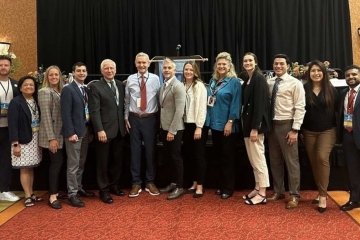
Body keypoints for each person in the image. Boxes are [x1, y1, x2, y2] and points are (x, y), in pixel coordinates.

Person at [267, 54, 306, 209]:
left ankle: (295, 195)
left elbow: (300, 107)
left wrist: (295, 129)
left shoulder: (295, 83)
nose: (278, 66)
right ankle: (278, 191)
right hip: (272, 126)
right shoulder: (269, 82)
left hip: (287, 125)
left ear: (288, 66)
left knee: (292, 162)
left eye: (281, 64)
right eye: (276, 64)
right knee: (275, 160)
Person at [302, 60, 338, 213]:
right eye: (313, 71)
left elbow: (338, 112)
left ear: (324, 72)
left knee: (322, 158)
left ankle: (323, 196)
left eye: (319, 70)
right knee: (314, 162)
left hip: (327, 131)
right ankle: (319, 191)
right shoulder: (303, 89)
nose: (316, 73)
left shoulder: (331, 89)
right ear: (309, 73)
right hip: (308, 131)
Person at [88, 59, 126, 204]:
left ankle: (114, 186)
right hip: (104, 131)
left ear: (115, 70)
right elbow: (94, 111)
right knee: (103, 162)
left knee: (117, 161)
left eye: (112, 68)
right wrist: (99, 129)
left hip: (119, 130)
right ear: (101, 70)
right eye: (106, 68)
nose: (109, 71)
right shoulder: (96, 87)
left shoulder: (120, 85)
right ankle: (103, 190)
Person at [205, 52, 241, 199]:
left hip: (227, 126)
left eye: (224, 64)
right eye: (219, 64)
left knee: (228, 158)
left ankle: (228, 188)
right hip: (214, 125)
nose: (221, 66)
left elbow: (236, 103)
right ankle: (220, 185)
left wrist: (230, 122)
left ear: (229, 66)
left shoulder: (234, 82)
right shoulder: (212, 81)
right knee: (218, 157)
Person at [125, 52, 161, 197]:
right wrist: (125, 117)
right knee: (135, 151)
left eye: (144, 62)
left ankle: (150, 182)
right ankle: (136, 183)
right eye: (139, 62)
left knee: (150, 151)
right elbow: (127, 101)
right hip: (134, 119)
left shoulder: (156, 79)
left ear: (149, 64)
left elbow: (160, 100)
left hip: (150, 119)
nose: (141, 65)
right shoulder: (130, 79)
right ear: (135, 63)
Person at [61, 62, 94, 208]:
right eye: (78, 71)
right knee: (73, 165)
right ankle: (72, 194)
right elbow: (65, 113)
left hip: (85, 131)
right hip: (74, 133)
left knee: (81, 162)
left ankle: (79, 187)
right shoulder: (68, 89)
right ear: (73, 73)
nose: (81, 73)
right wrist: (70, 132)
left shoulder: (86, 88)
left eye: (84, 71)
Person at [241, 52, 271, 205]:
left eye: (250, 60)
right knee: (253, 160)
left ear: (256, 62)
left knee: (259, 160)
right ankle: (257, 187)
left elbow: (260, 106)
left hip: (255, 127)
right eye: (245, 60)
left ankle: (263, 193)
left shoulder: (259, 78)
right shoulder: (248, 79)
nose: (247, 63)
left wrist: (255, 128)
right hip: (247, 126)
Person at [8, 76, 42, 207]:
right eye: (26, 85)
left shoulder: (35, 100)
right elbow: (13, 124)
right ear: (21, 88)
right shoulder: (16, 102)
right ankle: (27, 195)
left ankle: (31, 193)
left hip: (35, 138)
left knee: (31, 167)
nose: (29, 87)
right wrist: (15, 144)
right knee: (24, 169)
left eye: (31, 85)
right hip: (22, 141)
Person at [158, 58, 186, 200]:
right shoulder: (163, 85)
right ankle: (173, 183)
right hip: (164, 128)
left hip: (174, 129)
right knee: (169, 157)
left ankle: (180, 187)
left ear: (175, 70)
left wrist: (172, 130)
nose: (167, 70)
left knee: (176, 158)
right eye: (165, 68)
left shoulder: (178, 86)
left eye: (169, 68)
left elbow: (180, 111)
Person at [38, 65, 64, 209]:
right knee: (56, 164)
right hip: (52, 135)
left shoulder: (60, 91)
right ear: (46, 77)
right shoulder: (44, 91)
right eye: (51, 75)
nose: (54, 77)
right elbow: (46, 117)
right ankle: (52, 195)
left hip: (61, 133)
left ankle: (57, 191)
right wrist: (51, 138)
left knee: (60, 163)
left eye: (56, 75)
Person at [181, 61, 207, 198]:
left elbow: (202, 108)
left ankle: (201, 185)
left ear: (195, 71)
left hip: (196, 125)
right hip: (185, 125)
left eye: (191, 69)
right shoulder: (182, 85)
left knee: (199, 156)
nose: (188, 72)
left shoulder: (200, 86)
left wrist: (199, 127)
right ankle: (195, 182)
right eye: (186, 69)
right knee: (190, 156)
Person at [338, 65, 360, 211]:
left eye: (354, 74)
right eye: (348, 75)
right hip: (348, 136)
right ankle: (354, 200)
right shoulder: (343, 93)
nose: (351, 77)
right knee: (352, 171)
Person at [0, 55, 20, 202]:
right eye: (0, 65)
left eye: (6, 65)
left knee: (6, 160)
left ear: (10, 67)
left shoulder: (15, 84)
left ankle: (4, 190)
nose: (3, 67)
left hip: (9, 128)